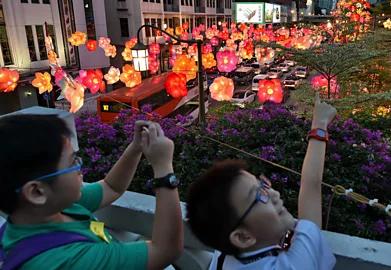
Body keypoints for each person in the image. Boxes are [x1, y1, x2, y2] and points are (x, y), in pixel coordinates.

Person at [0, 115, 183, 269]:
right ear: (36, 192)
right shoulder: (67, 260)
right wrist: (164, 167)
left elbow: (111, 187)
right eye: (72, 162)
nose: (81, 168)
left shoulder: (52, 210)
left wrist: (137, 147)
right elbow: (164, 250)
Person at [186, 93, 337, 269]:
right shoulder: (293, 266)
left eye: (263, 185)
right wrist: (319, 124)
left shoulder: (224, 255)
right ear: (242, 237)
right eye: (259, 195)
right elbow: (311, 190)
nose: (273, 193)